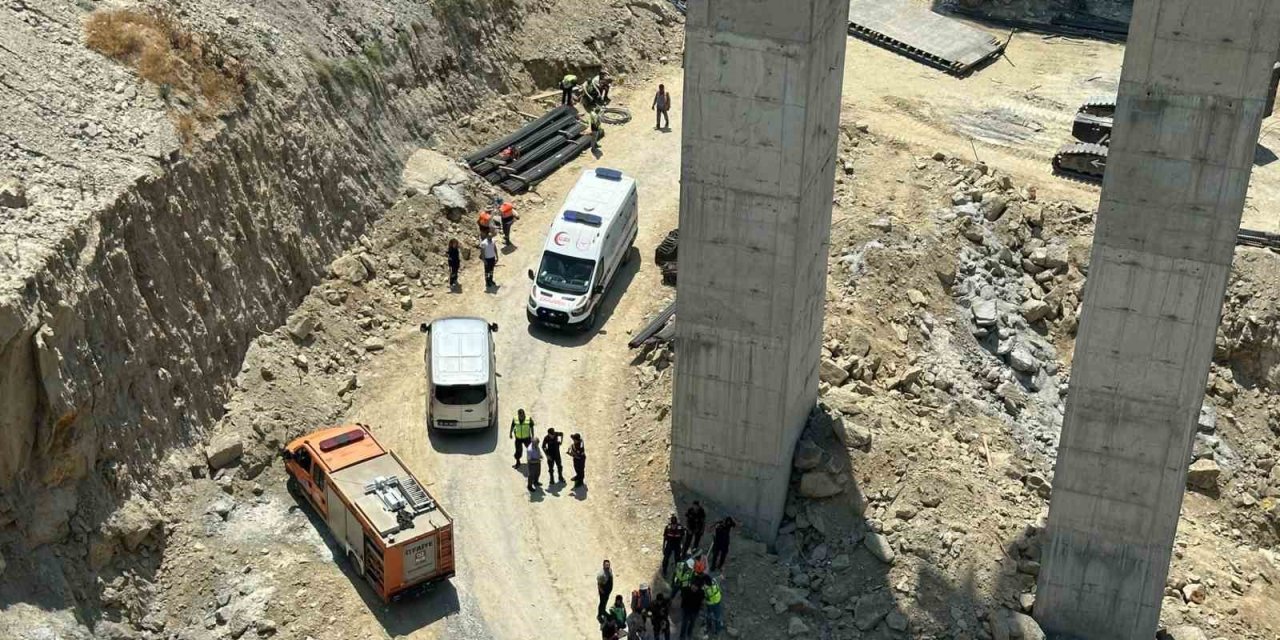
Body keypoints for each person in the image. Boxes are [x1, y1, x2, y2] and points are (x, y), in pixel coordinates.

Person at [677, 575, 705, 640]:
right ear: (691, 585)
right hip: (686, 610)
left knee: (692, 623)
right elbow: (681, 596)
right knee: (684, 623)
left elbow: (702, 601)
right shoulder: (686, 589)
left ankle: (689, 634)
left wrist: (701, 607)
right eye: (693, 585)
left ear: (698, 587)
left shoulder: (701, 593)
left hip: (695, 611)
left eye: (696, 587)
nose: (694, 587)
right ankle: (682, 636)